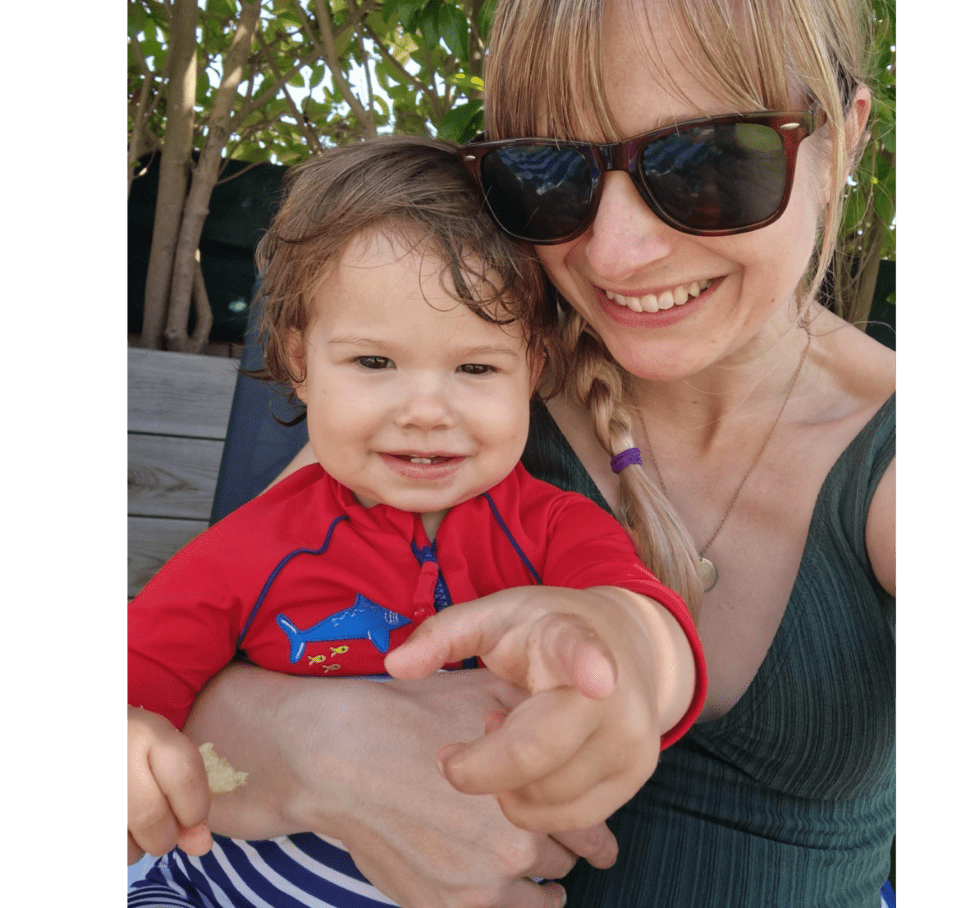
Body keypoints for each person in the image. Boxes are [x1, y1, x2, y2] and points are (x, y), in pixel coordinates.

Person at [158, 0, 896, 905]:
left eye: (711, 160)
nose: (617, 250)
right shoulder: (465, 390)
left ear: (843, 140)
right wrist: (323, 747)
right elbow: (192, 648)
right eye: (552, 172)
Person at [127, 135, 705, 907]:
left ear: (531, 369)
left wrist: (621, 654)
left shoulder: (557, 528)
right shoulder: (249, 551)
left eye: (474, 368)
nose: (426, 411)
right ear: (299, 359)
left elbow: (644, 620)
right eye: (374, 363)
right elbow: (133, 687)